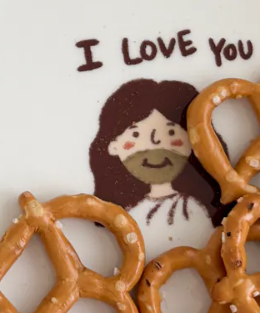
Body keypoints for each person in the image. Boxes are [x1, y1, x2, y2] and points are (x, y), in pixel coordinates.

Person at [89, 78, 227, 258]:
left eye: (171, 132)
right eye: (137, 134)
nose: (155, 143)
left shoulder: (191, 210)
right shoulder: (126, 216)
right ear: (113, 145)